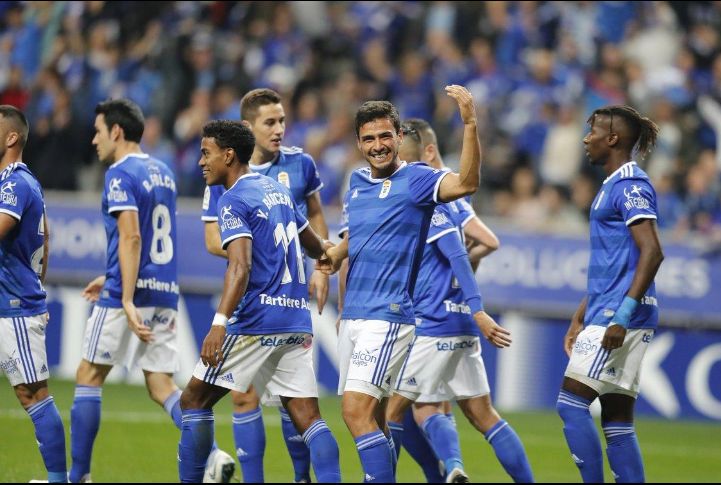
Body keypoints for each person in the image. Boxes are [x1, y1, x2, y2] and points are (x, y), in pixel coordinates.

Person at [317, 85, 481, 483]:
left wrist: (470, 124)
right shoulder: (357, 183)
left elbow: (466, 183)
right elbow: (358, 237)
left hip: (387, 315)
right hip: (355, 315)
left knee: (355, 411)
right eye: (369, 139)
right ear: (358, 143)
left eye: (385, 136)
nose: (378, 146)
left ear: (398, 136)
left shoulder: (418, 179)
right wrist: (333, 258)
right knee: (376, 418)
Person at [69, 99, 233, 483]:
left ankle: (78, 477)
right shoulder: (163, 172)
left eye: (98, 131)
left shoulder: (118, 173)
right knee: (161, 384)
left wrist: (125, 296)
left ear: (116, 131)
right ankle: (212, 455)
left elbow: (132, 236)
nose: (94, 140)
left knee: (88, 375)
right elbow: (152, 235)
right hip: (163, 291)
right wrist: (109, 272)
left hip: (127, 294)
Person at [178, 120, 340, 483]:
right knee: (309, 418)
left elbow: (240, 265)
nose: (201, 162)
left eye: (206, 153)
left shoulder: (232, 199)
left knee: (193, 401)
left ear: (228, 155)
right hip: (295, 320)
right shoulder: (277, 191)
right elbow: (313, 243)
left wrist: (219, 323)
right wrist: (332, 252)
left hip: (256, 320)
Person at [385, 118, 533, 483]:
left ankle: (433, 470)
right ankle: (457, 469)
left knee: (393, 411)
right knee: (483, 414)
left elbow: (457, 253)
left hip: (434, 322)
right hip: (459, 321)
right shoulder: (451, 201)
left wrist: (478, 308)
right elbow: (473, 249)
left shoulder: (429, 203)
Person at [558, 105, 663, 483]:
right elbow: (617, 261)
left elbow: (652, 251)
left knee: (571, 404)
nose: (586, 139)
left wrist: (621, 315)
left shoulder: (631, 186)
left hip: (618, 317)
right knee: (617, 420)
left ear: (613, 138)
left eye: (593, 132)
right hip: (608, 310)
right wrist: (581, 314)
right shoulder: (612, 184)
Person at [0, 105, 67, 483]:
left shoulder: (16, 183)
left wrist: (35, 293)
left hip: (14, 305)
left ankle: (59, 480)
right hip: (10, 301)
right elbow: (48, 238)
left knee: (33, 394)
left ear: (12, 137)